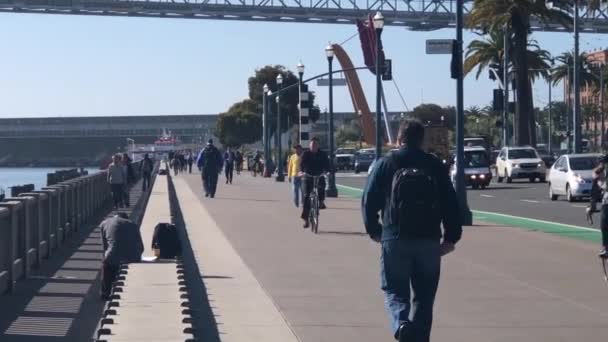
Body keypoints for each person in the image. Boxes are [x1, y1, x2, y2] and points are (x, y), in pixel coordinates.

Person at [362, 120, 462, 342]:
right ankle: (419, 337)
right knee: (425, 297)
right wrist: (451, 237)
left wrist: (374, 230)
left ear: (399, 139)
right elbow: (450, 202)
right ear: (422, 140)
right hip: (428, 239)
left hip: (394, 237)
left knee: (394, 290)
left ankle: (402, 323)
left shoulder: (386, 163)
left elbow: (369, 201)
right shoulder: (435, 165)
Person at [100, 212, 144, 300]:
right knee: (118, 256)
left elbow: (105, 247)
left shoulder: (104, 223)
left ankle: (105, 292)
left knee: (108, 263)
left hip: (112, 256)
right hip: (132, 256)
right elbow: (141, 246)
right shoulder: (133, 224)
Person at [299, 137, 330, 228]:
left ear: (318, 146)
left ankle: (320, 202)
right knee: (306, 196)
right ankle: (306, 219)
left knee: (321, 187)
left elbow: (327, 165)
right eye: (312, 145)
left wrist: (327, 172)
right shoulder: (305, 154)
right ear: (309, 145)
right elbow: (301, 165)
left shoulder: (323, 154)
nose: (314, 146)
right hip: (307, 176)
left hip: (319, 175)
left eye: (315, 145)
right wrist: (301, 172)